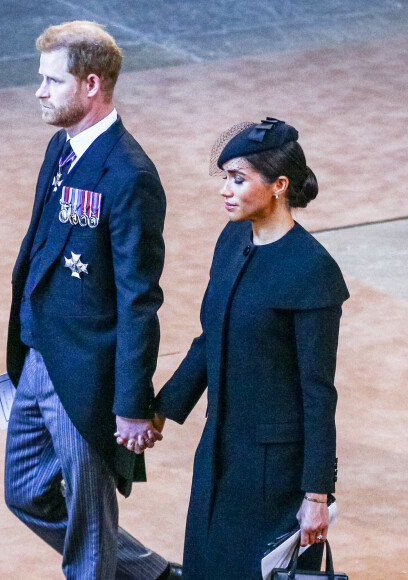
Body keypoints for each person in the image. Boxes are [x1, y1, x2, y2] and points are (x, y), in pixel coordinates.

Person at [4, 20, 181, 579]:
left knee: (88, 531)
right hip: (38, 358)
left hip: (85, 376)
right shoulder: (63, 147)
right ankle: (153, 574)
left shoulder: (129, 175)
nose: (39, 91)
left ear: (91, 85)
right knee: (25, 493)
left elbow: (139, 299)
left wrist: (131, 401)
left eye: (51, 81)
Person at [146, 118, 349, 579]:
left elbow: (318, 392)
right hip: (218, 450)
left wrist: (317, 495)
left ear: (279, 185)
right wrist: (160, 410)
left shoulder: (312, 270)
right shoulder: (233, 239)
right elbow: (210, 338)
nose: (226, 190)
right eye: (225, 179)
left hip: (273, 473)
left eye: (238, 180)